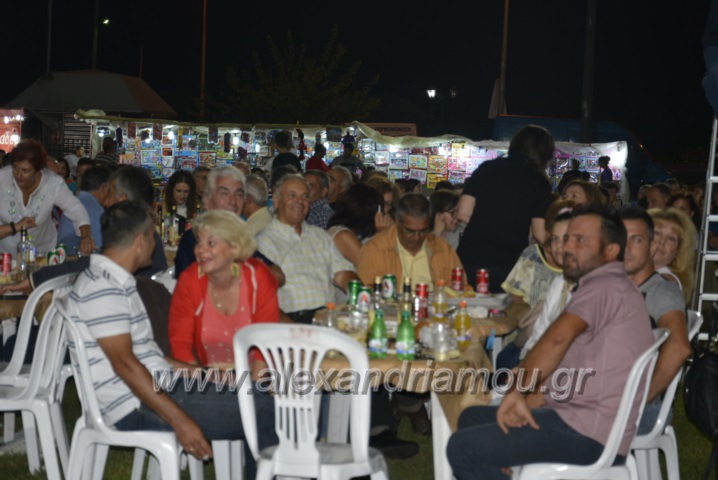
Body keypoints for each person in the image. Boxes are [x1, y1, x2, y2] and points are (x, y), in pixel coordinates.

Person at [63, 200, 277, 469]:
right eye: (152, 236)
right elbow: (125, 365)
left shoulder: (115, 282)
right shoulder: (102, 288)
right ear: (140, 241)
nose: (155, 244)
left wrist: (206, 375)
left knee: (257, 393)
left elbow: (148, 357)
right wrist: (181, 421)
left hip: (158, 388)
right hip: (135, 405)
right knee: (264, 409)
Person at [446, 205, 654, 480]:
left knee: (462, 449)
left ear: (610, 250)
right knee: (470, 418)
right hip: (576, 418)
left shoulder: (603, 286)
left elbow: (557, 338)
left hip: (588, 435)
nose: (567, 247)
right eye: (567, 239)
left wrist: (517, 393)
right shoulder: (609, 285)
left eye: (580, 240)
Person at [0, 165, 169, 296]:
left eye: (109, 193)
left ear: (122, 200)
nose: (105, 202)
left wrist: (36, 280)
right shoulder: (145, 233)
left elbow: (94, 263)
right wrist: (36, 279)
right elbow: (95, 262)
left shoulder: (137, 237)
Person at [169, 210, 280, 369]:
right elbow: (180, 343)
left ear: (234, 248)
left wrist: (252, 384)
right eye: (199, 242)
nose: (200, 250)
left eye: (211, 243)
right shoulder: (190, 280)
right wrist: (202, 381)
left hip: (255, 375)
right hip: (208, 376)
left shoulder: (258, 277)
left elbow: (265, 345)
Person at [618, 206, 691, 434]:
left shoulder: (663, 287)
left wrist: (638, 400)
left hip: (633, 401)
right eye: (657, 234)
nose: (660, 243)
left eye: (671, 239)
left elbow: (679, 348)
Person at [456, 125, 555, 292]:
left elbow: (463, 212)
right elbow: (539, 233)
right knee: (503, 307)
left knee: (466, 303)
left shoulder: (487, 168)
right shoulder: (539, 181)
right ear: (545, 153)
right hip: (509, 262)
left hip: (470, 257)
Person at [256, 174, 359, 324]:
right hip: (291, 321)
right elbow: (261, 298)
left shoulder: (320, 236)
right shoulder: (263, 241)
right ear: (276, 200)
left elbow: (343, 273)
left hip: (328, 317)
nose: (299, 201)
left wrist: (360, 294)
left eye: (305, 197)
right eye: (292, 195)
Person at [357, 192, 471, 292]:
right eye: (410, 231)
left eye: (423, 231)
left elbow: (462, 289)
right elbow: (363, 291)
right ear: (397, 221)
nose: (416, 238)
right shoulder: (374, 249)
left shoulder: (443, 249)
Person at [0, 139, 95, 256]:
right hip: (5, 256)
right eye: (15, 168)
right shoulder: (2, 179)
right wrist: (15, 227)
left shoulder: (52, 183)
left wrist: (86, 236)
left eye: (25, 170)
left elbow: (76, 210)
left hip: (42, 254)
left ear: (38, 171)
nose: (19, 175)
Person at [500, 199, 573, 309]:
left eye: (566, 238)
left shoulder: (587, 274)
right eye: (555, 238)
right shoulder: (533, 256)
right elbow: (515, 299)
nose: (559, 245)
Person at [648, 207, 697, 304]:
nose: (662, 241)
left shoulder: (666, 283)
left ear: (677, 251)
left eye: (671, 238)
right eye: (657, 233)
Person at [57, 165, 110, 253]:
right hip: (75, 259)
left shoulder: (76, 201)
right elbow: (102, 249)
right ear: (104, 187)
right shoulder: (95, 210)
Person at [162, 170, 197, 234]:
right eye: (178, 191)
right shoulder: (162, 208)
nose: (182, 195)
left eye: (186, 191)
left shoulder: (197, 208)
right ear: (171, 190)